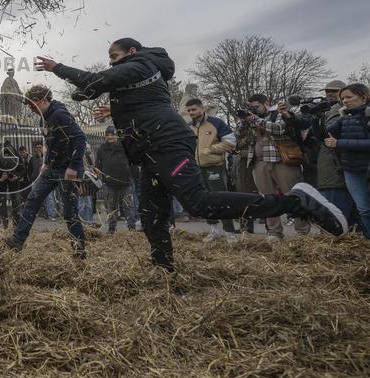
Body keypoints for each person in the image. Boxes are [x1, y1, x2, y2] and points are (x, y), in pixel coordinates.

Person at [33, 38, 347, 272]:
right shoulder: (137, 76)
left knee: (198, 202)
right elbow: (94, 92)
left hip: (167, 143)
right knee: (152, 215)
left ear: (130, 52)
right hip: (149, 150)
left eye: (114, 56)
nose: (111, 62)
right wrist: (112, 110)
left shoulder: (141, 65)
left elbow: (94, 81)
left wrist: (56, 67)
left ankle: (297, 202)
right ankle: (163, 270)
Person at [4, 85, 88, 259]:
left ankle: (79, 251)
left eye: (32, 106)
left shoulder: (60, 114)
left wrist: (73, 167)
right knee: (33, 199)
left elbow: (80, 139)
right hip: (52, 168)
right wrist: (45, 162)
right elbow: (49, 143)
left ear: (42, 100)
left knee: (69, 213)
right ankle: (18, 240)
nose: (31, 109)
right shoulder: (43, 119)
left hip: (68, 169)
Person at [282, 80, 358, 232]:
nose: (329, 94)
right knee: (330, 201)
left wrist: (318, 118)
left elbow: (330, 133)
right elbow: (304, 122)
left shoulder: (345, 110)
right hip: (323, 163)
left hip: (338, 163)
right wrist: (289, 116)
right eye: (327, 91)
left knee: (339, 208)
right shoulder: (323, 109)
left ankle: (342, 235)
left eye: (334, 91)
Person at [241, 94, 311, 241]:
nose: (254, 110)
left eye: (256, 106)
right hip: (260, 162)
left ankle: (303, 233)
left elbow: (279, 129)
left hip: (283, 161)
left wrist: (255, 119)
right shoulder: (252, 118)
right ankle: (274, 232)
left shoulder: (278, 113)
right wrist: (244, 123)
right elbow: (242, 140)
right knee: (267, 199)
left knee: (294, 196)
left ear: (267, 103)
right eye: (251, 107)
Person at [185, 98, 238, 240]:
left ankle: (230, 232)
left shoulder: (216, 122)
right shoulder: (188, 126)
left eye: (194, 109)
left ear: (202, 109)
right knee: (204, 200)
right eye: (189, 110)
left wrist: (210, 149)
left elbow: (231, 142)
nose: (191, 112)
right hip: (196, 168)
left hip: (214, 167)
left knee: (220, 199)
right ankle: (213, 230)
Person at [326, 83, 370, 236]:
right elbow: (324, 133)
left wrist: (339, 144)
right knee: (363, 209)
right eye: (343, 98)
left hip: (367, 167)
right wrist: (316, 116)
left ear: (364, 97)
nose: (345, 101)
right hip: (351, 169)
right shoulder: (346, 116)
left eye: (349, 97)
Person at [96, 126, 137, 233]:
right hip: (109, 183)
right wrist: (99, 173)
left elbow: (133, 162)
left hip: (125, 182)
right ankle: (111, 228)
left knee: (128, 205)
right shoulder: (102, 148)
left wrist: (132, 175)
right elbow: (98, 164)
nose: (110, 137)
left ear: (117, 135)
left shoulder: (124, 147)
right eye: (108, 135)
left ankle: (131, 227)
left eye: (112, 134)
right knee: (111, 206)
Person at [0, 139, 25, 227]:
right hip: (1, 180)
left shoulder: (16, 155)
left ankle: (16, 223)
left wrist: (17, 176)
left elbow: (23, 169)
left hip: (14, 180)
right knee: (1, 202)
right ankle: (3, 223)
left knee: (16, 201)